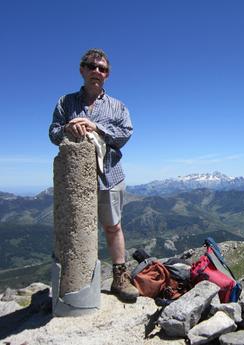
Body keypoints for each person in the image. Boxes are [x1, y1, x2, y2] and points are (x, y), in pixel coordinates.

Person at [49, 48, 139, 302]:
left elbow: (125, 135)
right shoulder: (65, 103)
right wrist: (68, 126)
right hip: (74, 180)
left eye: (103, 69)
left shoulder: (118, 106)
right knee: (74, 230)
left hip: (109, 174)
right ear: (82, 70)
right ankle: (74, 283)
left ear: (107, 75)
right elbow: (53, 133)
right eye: (92, 66)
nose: (97, 72)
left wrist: (95, 126)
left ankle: (120, 277)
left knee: (112, 227)